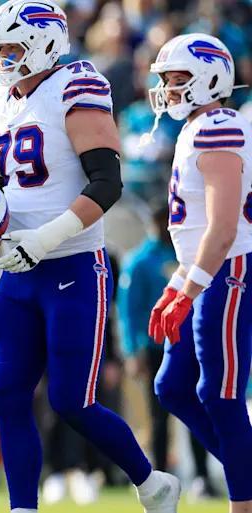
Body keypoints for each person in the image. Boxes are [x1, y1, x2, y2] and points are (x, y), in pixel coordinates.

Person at [0, 0, 180, 511]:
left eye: (12, 47)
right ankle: (22, 506)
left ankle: (151, 482)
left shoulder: (77, 85)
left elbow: (107, 183)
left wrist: (44, 239)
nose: (1, 58)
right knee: (7, 393)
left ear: (44, 44)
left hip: (73, 266)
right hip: (16, 270)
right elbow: (0, 188)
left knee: (70, 400)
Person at [147, 33, 252, 512]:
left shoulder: (218, 125)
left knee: (219, 393)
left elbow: (224, 228)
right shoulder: (196, 126)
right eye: (166, 79)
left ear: (211, 77)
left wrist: (188, 291)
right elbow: (194, 228)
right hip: (206, 270)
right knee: (172, 386)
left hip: (229, 270)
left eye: (178, 78)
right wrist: (176, 286)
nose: (168, 89)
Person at [118, 203, 218, 498]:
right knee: (159, 416)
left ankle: (201, 476)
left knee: (198, 409)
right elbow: (129, 311)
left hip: (191, 343)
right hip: (155, 347)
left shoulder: (185, 256)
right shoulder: (140, 261)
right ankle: (160, 474)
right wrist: (133, 349)